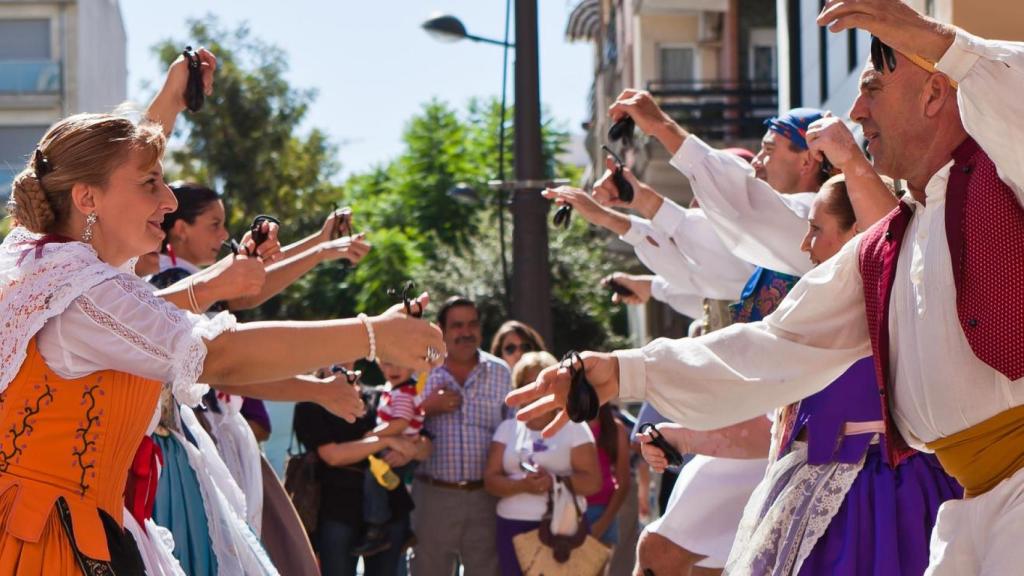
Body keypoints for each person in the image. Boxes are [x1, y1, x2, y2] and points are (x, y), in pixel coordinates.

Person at [509, 2, 1024, 573]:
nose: (856, 111)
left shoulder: (1006, 178)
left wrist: (938, 40)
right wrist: (626, 371)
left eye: (873, 89)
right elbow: (778, 342)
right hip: (971, 508)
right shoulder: (888, 246)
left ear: (933, 94)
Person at [0, 50, 443, 573]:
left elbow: (107, 169)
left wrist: (170, 102)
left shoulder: (43, 258)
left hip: (63, 522)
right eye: (151, 185)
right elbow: (220, 356)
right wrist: (371, 335)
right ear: (86, 199)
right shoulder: (82, 290)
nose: (169, 201)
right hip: (45, 543)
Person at [642, 176, 961, 575]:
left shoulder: (896, 307)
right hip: (832, 499)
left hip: (889, 504)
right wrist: (684, 437)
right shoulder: (817, 313)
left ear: (857, 231)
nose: (805, 244)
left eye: (816, 229)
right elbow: (776, 428)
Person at [295, 364, 429, 576]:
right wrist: (387, 441)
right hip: (338, 512)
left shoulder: (381, 395)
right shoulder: (310, 403)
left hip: (390, 512)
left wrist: (409, 450)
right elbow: (334, 456)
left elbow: (424, 446)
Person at [413, 296, 513, 575]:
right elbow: (396, 422)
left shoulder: (501, 373)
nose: (466, 332)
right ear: (441, 330)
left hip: (485, 497)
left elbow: (513, 432)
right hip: (433, 495)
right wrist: (426, 408)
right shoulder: (421, 371)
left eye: (472, 324)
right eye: (457, 326)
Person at [484, 351, 602, 576]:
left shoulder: (575, 426)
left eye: (545, 384)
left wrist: (553, 482)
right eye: (529, 384)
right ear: (519, 388)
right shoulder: (507, 428)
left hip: (564, 531)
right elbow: (490, 481)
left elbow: (593, 481)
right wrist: (522, 485)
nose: (537, 391)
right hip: (512, 526)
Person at [356, 361, 426, 557]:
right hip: (396, 446)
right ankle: (404, 531)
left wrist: (373, 435)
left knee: (374, 478)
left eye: (399, 364)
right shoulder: (391, 389)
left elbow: (400, 423)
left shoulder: (403, 392)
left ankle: (377, 528)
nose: (394, 370)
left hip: (401, 449)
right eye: (388, 364)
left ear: (412, 366)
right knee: (391, 487)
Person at [584, 405, 631, 551]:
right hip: (568, 510)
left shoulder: (615, 429)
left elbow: (624, 482)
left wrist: (603, 523)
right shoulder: (565, 427)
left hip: (603, 511)